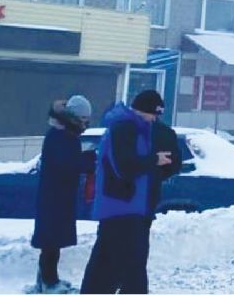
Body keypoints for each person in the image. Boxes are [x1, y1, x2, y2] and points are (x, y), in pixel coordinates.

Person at [80, 91, 172, 294]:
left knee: (112, 267)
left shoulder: (131, 127)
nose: (155, 119)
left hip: (125, 208)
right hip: (123, 208)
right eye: (154, 114)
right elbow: (125, 167)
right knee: (125, 269)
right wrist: (154, 160)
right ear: (144, 110)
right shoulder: (125, 128)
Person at [30, 96, 96, 294]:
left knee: (52, 243)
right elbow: (66, 164)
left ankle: (47, 280)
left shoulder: (62, 134)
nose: (86, 123)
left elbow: (66, 161)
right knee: (51, 242)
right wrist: (89, 161)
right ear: (75, 117)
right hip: (55, 198)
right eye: (84, 118)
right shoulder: (61, 136)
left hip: (57, 196)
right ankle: (49, 282)